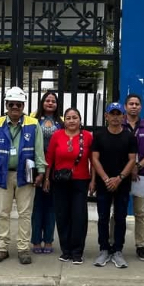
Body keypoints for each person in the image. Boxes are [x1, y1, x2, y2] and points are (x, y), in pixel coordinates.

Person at [0, 87, 46, 265]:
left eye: (18, 104)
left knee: (25, 213)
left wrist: (41, 171)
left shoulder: (33, 124)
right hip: (2, 174)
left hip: (25, 175)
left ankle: (23, 249)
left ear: (23, 106)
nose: (15, 107)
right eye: (11, 104)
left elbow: (39, 150)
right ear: (6, 105)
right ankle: (2, 248)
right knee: (3, 213)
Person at [44, 108, 95, 264]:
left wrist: (93, 181)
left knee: (79, 216)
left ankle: (77, 252)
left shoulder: (87, 136)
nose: (72, 121)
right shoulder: (57, 135)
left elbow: (93, 161)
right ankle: (66, 250)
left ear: (80, 120)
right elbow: (49, 159)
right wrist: (46, 178)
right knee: (62, 215)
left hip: (80, 181)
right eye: (68, 118)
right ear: (64, 121)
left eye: (75, 117)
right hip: (60, 182)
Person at [91, 102, 137, 268]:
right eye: (112, 114)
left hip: (122, 184)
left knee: (120, 218)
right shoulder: (99, 135)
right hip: (104, 184)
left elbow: (132, 160)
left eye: (119, 114)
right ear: (106, 116)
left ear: (123, 116)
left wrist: (119, 178)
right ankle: (103, 249)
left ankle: (118, 250)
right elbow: (94, 158)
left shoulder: (129, 137)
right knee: (103, 217)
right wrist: (105, 179)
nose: (115, 117)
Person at [123, 93, 144, 261]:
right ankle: (113, 243)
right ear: (125, 107)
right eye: (131, 104)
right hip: (121, 176)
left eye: (137, 104)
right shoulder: (119, 124)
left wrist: (138, 166)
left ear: (141, 107)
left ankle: (140, 245)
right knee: (118, 212)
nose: (134, 106)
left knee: (140, 212)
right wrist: (126, 170)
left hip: (142, 176)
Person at [30, 91, 62, 254]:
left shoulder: (61, 122)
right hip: (36, 167)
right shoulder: (33, 119)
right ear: (42, 102)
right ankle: (36, 240)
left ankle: (48, 240)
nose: (50, 103)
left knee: (51, 206)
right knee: (37, 206)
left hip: (55, 169)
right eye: (47, 100)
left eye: (53, 101)